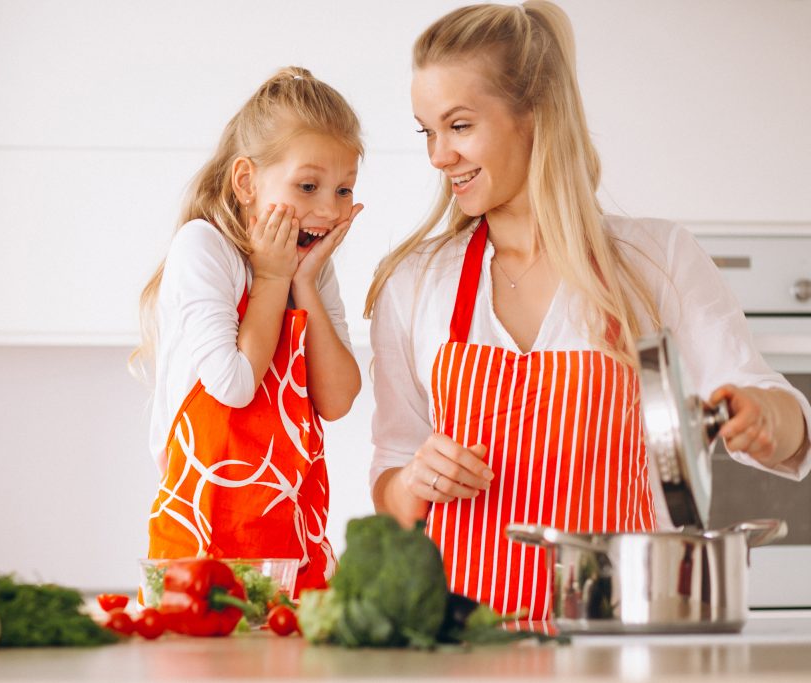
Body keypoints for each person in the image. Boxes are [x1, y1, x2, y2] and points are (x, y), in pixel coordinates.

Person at [365, 2, 811, 621]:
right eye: (427, 132)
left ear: (534, 112)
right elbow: (390, 479)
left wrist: (764, 417)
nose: (439, 156)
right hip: (460, 642)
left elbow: (783, 420)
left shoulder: (655, 260)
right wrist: (415, 482)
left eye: (459, 126)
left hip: (622, 637)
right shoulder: (415, 283)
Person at [135, 66, 363, 592]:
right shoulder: (203, 247)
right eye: (308, 186)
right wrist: (272, 278)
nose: (329, 209)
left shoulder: (312, 271)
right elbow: (234, 385)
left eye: (344, 189)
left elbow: (337, 399)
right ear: (246, 182)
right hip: (201, 541)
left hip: (292, 538)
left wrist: (303, 282)